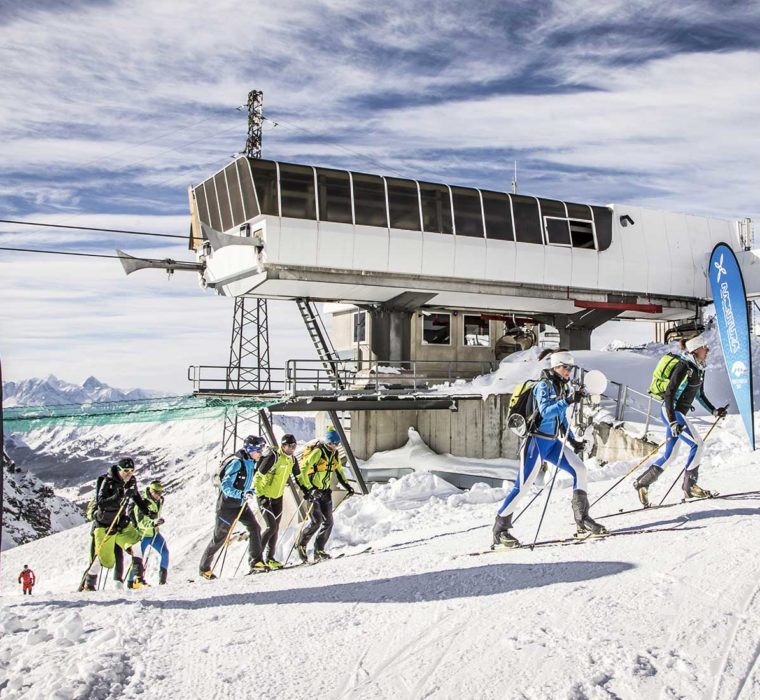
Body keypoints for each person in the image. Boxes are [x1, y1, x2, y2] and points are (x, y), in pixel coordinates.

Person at [492, 351, 606, 547]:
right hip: (535, 443)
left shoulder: (561, 386)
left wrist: (572, 440)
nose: (569, 372)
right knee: (523, 487)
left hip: (553, 443)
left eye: (571, 368)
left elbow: (560, 418)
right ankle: (500, 530)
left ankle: (582, 520)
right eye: (566, 368)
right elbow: (546, 412)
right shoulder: (543, 386)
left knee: (580, 469)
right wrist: (568, 401)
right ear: (556, 367)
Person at [634, 334, 727, 505]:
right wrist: (673, 421)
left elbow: (699, 395)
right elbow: (669, 393)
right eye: (704, 347)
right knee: (697, 444)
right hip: (672, 411)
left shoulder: (699, 369)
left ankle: (642, 483)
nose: (707, 350)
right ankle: (690, 486)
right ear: (695, 349)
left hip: (677, 414)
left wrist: (714, 411)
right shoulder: (684, 366)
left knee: (671, 455)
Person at [198, 435, 267, 579]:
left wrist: (248, 492)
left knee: (255, 528)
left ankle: (256, 562)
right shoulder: (237, 463)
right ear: (250, 449)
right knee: (219, 538)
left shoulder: (250, 462)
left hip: (240, 505)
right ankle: (204, 569)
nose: (260, 453)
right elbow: (226, 485)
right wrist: (241, 493)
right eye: (258, 450)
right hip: (227, 506)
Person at [81, 457, 152, 592]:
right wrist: (118, 496)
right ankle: (89, 584)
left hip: (120, 522)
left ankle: (138, 578)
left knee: (136, 543)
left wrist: (147, 512)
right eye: (126, 470)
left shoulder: (131, 481)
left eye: (131, 470)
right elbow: (101, 502)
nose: (129, 473)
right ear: (119, 470)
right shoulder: (107, 481)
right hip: (104, 524)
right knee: (102, 557)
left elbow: (136, 497)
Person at [295, 428, 355, 562]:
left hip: (325, 491)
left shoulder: (334, 454)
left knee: (328, 522)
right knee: (316, 522)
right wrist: (308, 489)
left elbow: (339, 471)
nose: (335, 446)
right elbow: (303, 469)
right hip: (313, 491)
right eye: (333, 443)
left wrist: (347, 486)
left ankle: (319, 550)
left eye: (337, 443)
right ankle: (301, 545)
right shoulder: (318, 451)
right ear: (328, 441)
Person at [254, 433, 302, 570]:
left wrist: (308, 490)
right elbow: (258, 476)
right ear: (283, 445)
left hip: (277, 497)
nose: (292, 448)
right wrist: (260, 495)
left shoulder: (292, 460)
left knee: (276, 528)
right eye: (289, 446)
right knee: (271, 527)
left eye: (294, 446)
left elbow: (299, 477)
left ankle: (270, 558)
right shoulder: (273, 457)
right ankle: (256, 559)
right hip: (265, 497)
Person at [127, 481, 169, 587]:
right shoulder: (142, 502)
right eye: (157, 492)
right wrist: (153, 523)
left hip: (154, 534)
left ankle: (162, 581)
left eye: (161, 492)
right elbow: (140, 523)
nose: (159, 495)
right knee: (137, 559)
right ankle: (132, 583)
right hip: (143, 535)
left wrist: (157, 523)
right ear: (151, 491)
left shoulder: (160, 501)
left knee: (165, 553)